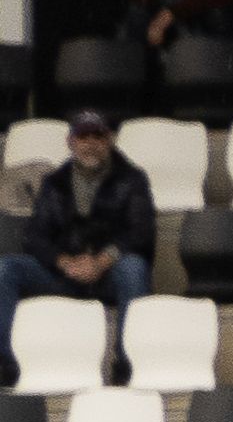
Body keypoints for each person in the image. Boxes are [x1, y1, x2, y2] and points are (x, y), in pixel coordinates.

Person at [4, 110, 155, 325]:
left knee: (133, 268)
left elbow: (141, 233)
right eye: (83, 137)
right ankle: (6, 356)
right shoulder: (54, 183)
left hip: (110, 274)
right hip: (63, 274)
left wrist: (101, 262)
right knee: (7, 268)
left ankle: (127, 357)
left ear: (110, 139)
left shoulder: (133, 180)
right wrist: (65, 262)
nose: (90, 144)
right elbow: (35, 236)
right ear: (70, 141)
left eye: (98, 136)